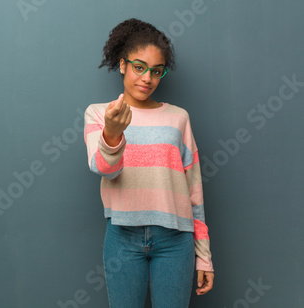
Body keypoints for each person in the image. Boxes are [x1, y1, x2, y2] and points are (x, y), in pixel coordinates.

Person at [83, 18, 214, 307]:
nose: (147, 78)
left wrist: (204, 255)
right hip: (122, 238)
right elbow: (104, 168)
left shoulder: (179, 117)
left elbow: (194, 189)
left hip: (176, 240)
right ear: (122, 64)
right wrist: (113, 134)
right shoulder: (99, 114)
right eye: (139, 67)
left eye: (157, 71)